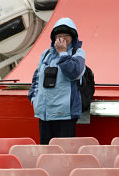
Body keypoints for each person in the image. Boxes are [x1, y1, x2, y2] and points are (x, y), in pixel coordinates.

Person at [28, 17, 86, 145]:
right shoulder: (45, 54)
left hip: (65, 113)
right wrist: (34, 99)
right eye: (59, 35)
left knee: (63, 152)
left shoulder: (78, 53)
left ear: (73, 37)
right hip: (44, 113)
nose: (62, 39)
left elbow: (73, 73)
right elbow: (37, 78)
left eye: (66, 35)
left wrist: (63, 54)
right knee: (46, 151)